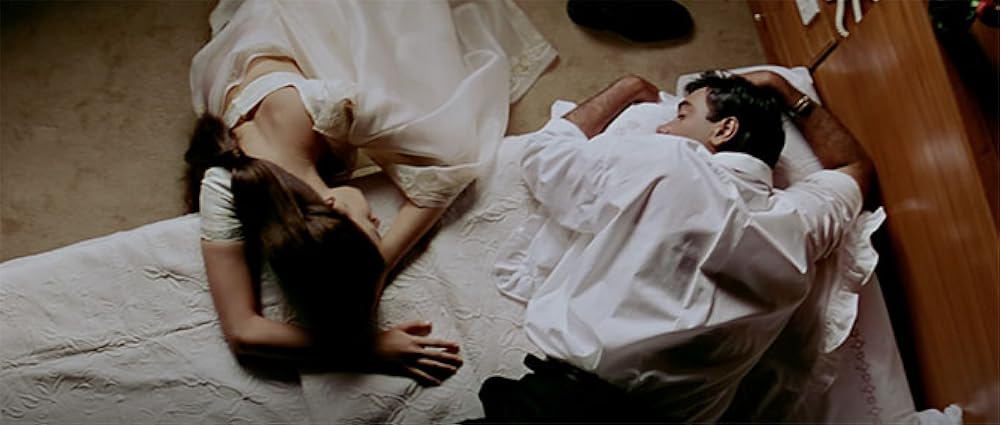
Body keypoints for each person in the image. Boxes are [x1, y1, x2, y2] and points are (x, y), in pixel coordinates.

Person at [182, 0, 555, 386]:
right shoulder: (224, 183)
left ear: (333, 204)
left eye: (371, 225)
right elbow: (242, 333)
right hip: (248, 58)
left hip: (287, 28)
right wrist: (368, 349)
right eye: (377, 227)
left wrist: (380, 268)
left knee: (424, 74)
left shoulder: (320, 110)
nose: (377, 218)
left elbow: (452, 163)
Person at [475, 70, 874, 421]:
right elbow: (852, 166)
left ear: (724, 130)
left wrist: (628, 87)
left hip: (567, 404)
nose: (663, 127)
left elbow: (544, 157)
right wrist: (786, 90)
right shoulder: (801, 224)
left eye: (682, 115)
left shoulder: (670, 159)